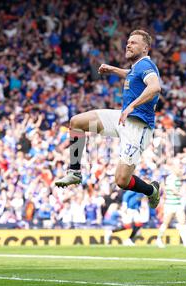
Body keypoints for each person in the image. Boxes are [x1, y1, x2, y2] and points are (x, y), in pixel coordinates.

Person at [55, 29, 161, 209]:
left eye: (134, 42)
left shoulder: (146, 66)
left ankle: (151, 190)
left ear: (145, 48)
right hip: (122, 118)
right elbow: (131, 75)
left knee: (121, 180)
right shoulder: (138, 67)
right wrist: (113, 69)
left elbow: (155, 87)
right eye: (128, 41)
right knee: (77, 122)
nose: (128, 44)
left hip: (138, 127)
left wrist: (132, 106)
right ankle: (74, 172)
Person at [156, 161, 186, 248]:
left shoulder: (176, 177)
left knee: (183, 222)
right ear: (174, 169)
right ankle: (159, 240)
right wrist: (181, 194)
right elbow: (172, 189)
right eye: (179, 168)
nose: (181, 170)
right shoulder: (171, 178)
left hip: (177, 203)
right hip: (170, 204)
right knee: (166, 223)